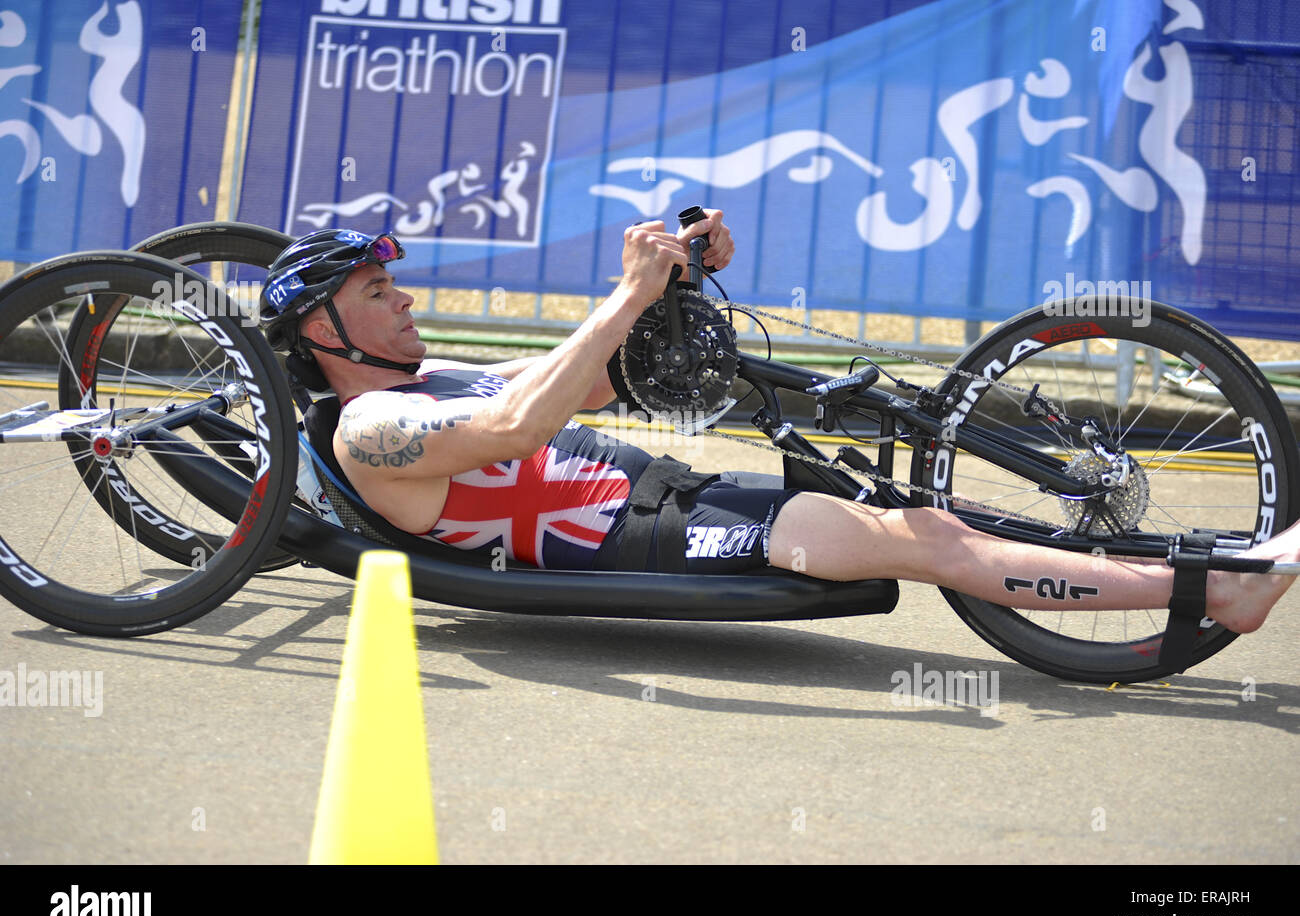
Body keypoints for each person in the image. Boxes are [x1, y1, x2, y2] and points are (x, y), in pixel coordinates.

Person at [257, 216, 1300, 636]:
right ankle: (1215, 589)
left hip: (665, 486)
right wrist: (621, 297)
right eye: (372, 289)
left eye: (392, 282)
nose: (398, 298)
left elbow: (583, 383)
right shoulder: (369, 430)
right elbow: (519, 424)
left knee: (908, 484)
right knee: (925, 540)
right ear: (322, 328)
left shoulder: (431, 374)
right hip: (644, 538)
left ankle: (1177, 552)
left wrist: (676, 288)